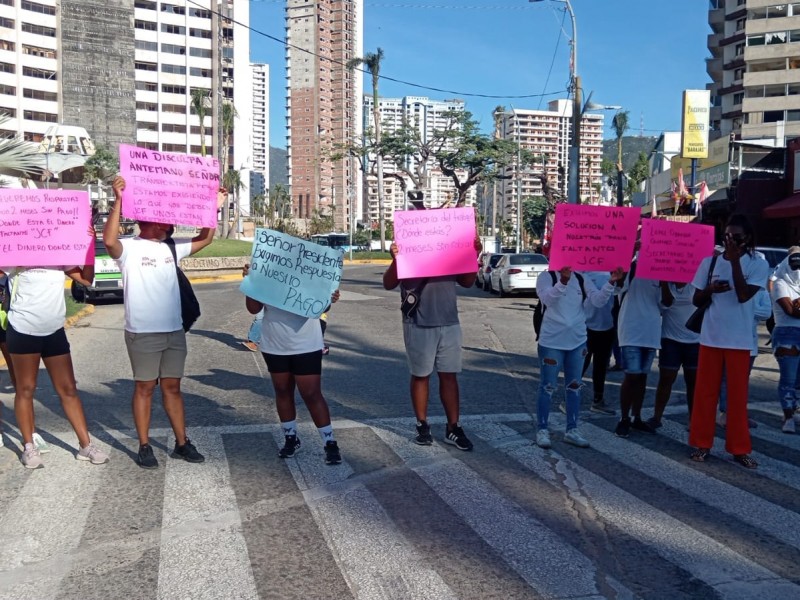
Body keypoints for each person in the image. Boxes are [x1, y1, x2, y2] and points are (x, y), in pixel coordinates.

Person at [103, 176, 226, 469]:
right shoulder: (128, 248)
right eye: (165, 221)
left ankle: (182, 443)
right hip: (142, 333)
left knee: (172, 387)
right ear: (151, 222)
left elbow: (205, 238)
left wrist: (215, 206)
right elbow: (108, 240)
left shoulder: (172, 247)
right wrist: (118, 199)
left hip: (173, 332)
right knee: (145, 388)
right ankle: (145, 445)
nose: (169, 225)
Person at [1, 243, 109, 468]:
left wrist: (89, 250)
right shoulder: (14, 249)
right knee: (25, 389)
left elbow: (86, 279)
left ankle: (85, 445)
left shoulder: (60, 249)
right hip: (22, 329)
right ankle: (29, 447)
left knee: (68, 388)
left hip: (54, 330)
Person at [383, 235, 481, 451]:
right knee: (420, 375)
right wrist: (396, 259)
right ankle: (422, 425)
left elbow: (467, 281)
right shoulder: (407, 252)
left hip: (449, 322)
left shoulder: (451, 250)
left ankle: (453, 428)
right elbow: (388, 283)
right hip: (417, 322)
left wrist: (473, 254)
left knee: (449, 375)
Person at [689, 214, 769, 469]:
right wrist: (711, 289)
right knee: (705, 394)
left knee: (737, 397)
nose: (730, 241)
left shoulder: (757, 263)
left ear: (748, 238)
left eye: (736, 237)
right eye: (726, 236)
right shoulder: (709, 262)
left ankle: (739, 448)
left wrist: (735, 264)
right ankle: (702, 444)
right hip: (711, 336)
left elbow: (745, 295)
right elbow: (696, 300)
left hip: (740, 339)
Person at [243, 267, 342, 465]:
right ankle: (290, 437)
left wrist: (330, 297)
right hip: (275, 344)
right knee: (282, 391)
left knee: (312, 393)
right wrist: (251, 281)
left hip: (307, 343)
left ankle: (329, 442)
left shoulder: (311, 273)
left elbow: (323, 306)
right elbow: (254, 308)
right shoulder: (267, 273)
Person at [536, 266, 624, 449]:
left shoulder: (582, 278)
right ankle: (542, 429)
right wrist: (563, 281)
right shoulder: (546, 276)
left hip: (577, 341)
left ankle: (572, 429)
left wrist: (611, 281)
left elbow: (598, 301)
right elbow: (548, 300)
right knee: (548, 386)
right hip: (552, 341)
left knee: (574, 386)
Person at [615, 257, 663, 438]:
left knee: (642, 376)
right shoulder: (631, 267)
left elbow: (666, 303)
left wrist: (665, 281)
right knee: (631, 375)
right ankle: (624, 418)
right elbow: (618, 287)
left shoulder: (661, 271)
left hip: (650, 332)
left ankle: (637, 417)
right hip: (631, 330)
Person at [647, 280, 700, 429]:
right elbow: (666, 304)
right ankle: (657, 417)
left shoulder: (695, 284)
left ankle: (693, 419)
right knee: (665, 379)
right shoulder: (665, 285)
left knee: (693, 383)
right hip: (670, 340)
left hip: (695, 340)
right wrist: (664, 284)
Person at [768, 245, 800, 433]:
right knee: (788, 379)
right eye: (794, 264)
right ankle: (788, 417)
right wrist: (795, 306)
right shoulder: (780, 283)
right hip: (786, 334)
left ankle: (792, 412)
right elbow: (790, 311)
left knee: (798, 381)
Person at [580, 271, 620, 415]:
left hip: (606, 325)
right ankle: (568, 398)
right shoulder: (581, 273)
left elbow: (619, 293)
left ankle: (598, 399)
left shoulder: (613, 271)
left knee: (601, 366)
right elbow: (597, 300)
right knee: (580, 364)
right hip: (584, 326)